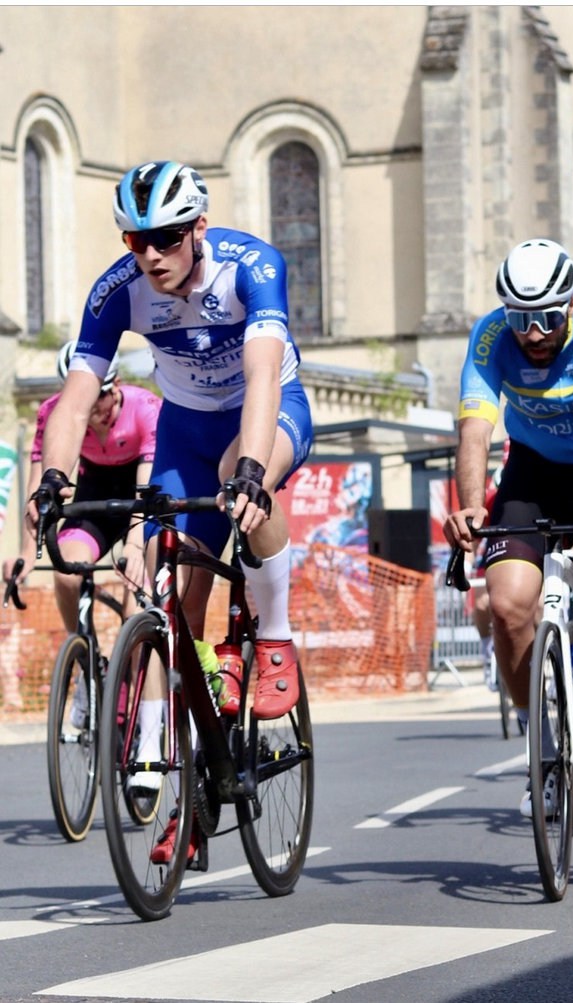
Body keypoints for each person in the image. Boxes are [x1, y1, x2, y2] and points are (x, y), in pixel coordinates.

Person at [27, 161, 314, 860]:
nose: (151, 254)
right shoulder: (117, 291)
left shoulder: (251, 267)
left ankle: (274, 637)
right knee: (171, 607)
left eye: (165, 237)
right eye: (136, 240)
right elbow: (75, 396)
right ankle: (193, 793)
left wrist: (251, 468)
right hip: (186, 427)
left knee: (245, 485)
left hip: (266, 408)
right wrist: (53, 481)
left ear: (198, 228)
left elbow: (261, 373)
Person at [443, 237, 573, 819]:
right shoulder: (489, 338)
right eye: (520, 320)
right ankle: (544, 750)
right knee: (508, 606)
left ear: (572, 305)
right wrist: (469, 506)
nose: (533, 333)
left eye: (547, 318)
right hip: (533, 466)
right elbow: (475, 433)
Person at [4, 341, 162, 729]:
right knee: (66, 574)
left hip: (141, 498)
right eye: (84, 401)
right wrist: (27, 551)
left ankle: (138, 701)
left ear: (116, 385)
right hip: (94, 498)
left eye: (100, 399)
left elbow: (146, 490)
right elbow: (38, 490)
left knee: (135, 605)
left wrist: (136, 546)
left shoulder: (145, 408)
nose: (93, 412)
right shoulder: (54, 413)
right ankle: (88, 663)